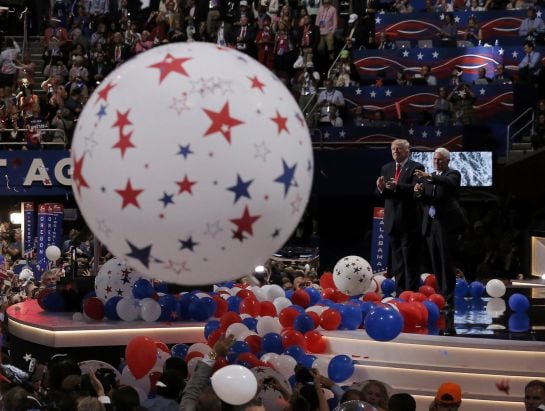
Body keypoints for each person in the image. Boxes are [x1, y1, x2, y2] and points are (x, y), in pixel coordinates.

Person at [414, 148, 467, 307]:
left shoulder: (453, 174)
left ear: (447, 161)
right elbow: (426, 200)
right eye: (435, 159)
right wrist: (419, 193)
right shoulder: (428, 178)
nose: (436, 162)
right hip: (431, 224)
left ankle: (448, 298)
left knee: (446, 262)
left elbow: (448, 183)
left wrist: (430, 177)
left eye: (440, 160)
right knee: (436, 262)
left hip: (446, 225)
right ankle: (439, 295)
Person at [376, 139, 424, 294]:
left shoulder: (416, 167)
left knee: (410, 261)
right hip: (392, 221)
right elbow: (383, 194)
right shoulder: (386, 168)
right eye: (393, 149)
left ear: (407, 150)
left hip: (409, 221)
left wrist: (398, 186)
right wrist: (381, 188)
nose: (395, 152)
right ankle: (401, 294)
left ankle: (412, 294)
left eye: (399, 149)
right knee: (397, 262)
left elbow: (416, 190)